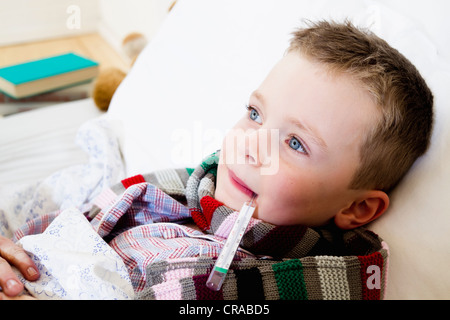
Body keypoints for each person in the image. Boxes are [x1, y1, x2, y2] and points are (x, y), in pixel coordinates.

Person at [0, 20, 433, 300]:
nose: (251, 146)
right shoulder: (189, 186)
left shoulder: (280, 282)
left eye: (295, 144)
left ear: (357, 208)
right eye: (255, 114)